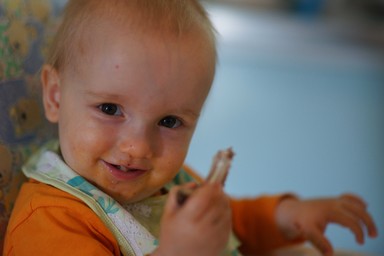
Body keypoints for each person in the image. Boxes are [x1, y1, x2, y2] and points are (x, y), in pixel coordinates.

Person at [4, 0, 378, 255]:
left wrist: (287, 216)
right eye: (109, 108)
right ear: (54, 96)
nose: (137, 146)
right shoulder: (49, 220)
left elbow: (232, 222)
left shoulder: (170, 183)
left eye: (169, 121)